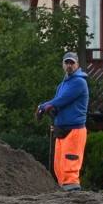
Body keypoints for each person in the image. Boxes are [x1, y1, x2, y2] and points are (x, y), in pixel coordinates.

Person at [36, 52, 90, 192]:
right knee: (59, 167)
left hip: (74, 131)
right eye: (67, 62)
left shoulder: (79, 82)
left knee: (69, 168)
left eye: (72, 63)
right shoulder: (62, 85)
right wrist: (51, 111)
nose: (69, 65)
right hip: (62, 130)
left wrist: (42, 107)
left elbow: (62, 100)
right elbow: (57, 105)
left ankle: (76, 202)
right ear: (63, 64)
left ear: (77, 65)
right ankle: (64, 202)